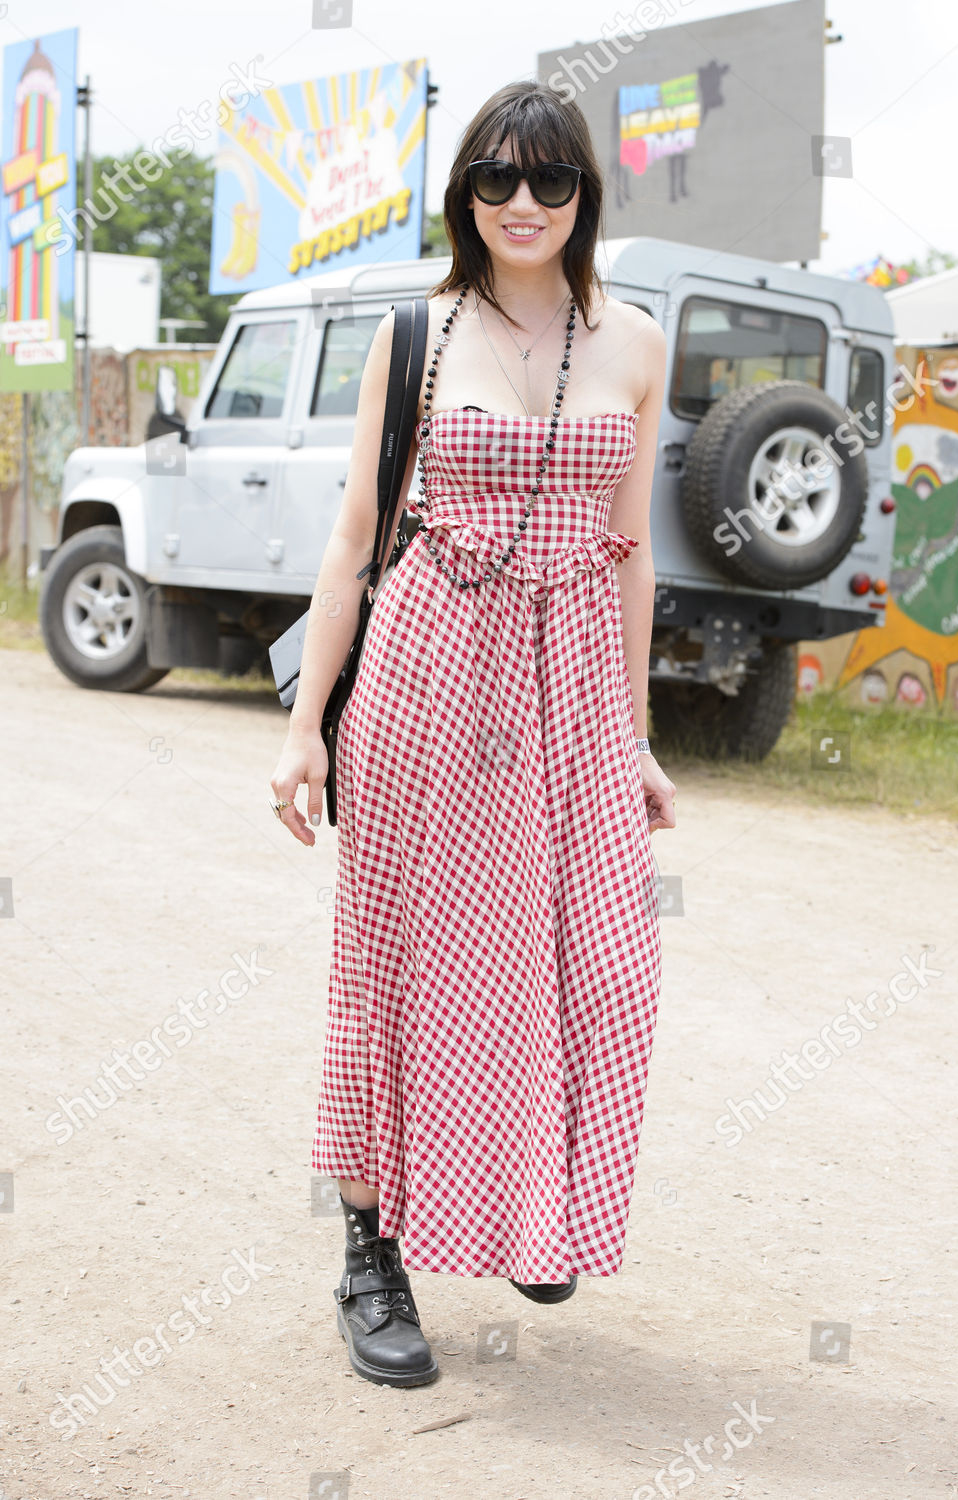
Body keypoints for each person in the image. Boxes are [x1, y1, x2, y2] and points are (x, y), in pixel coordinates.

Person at [269, 79, 677, 1389]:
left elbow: (630, 562)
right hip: (427, 678)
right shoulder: (418, 331)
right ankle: (369, 1247)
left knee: (593, 962)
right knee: (401, 961)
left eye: (547, 181)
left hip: (567, 694)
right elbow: (351, 541)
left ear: (583, 196)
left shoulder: (632, 342)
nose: (519, 203)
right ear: (462, 193)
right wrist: (302, 731)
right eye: (494, 179)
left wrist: (636, 734)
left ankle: (528, 1200)